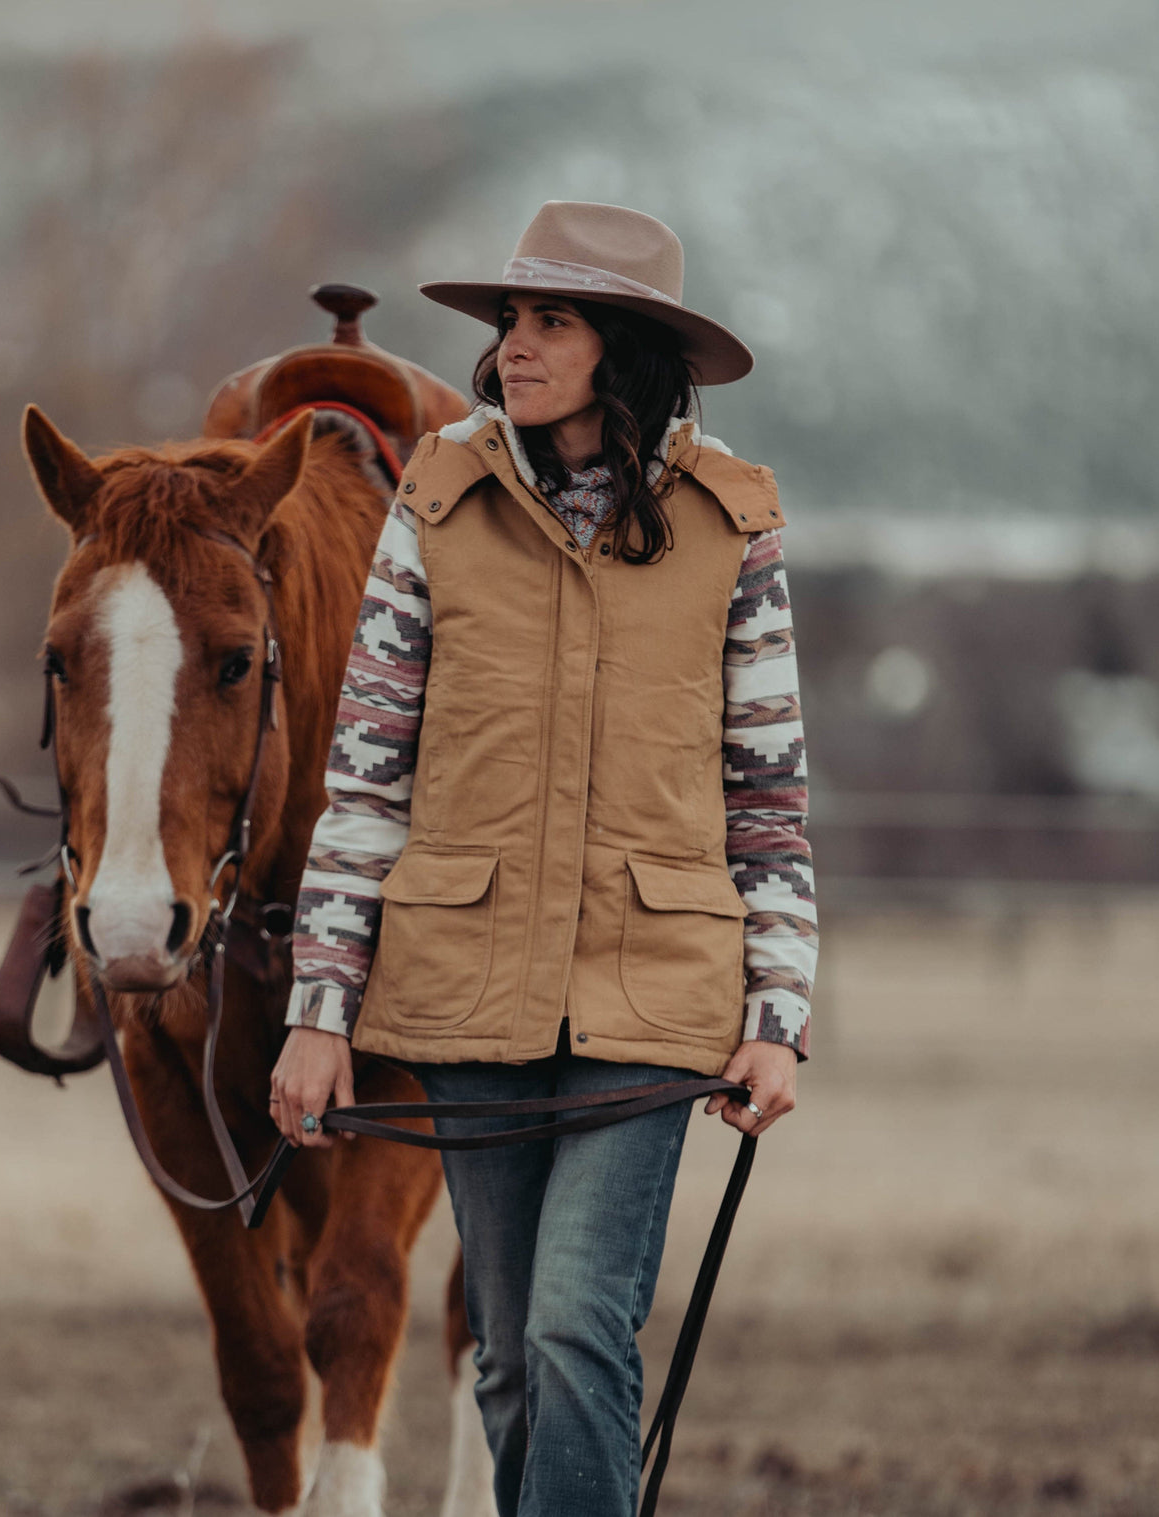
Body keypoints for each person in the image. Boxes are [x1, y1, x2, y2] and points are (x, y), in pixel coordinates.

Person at [270, 200, 817, 1517]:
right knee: (507, 1357)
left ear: (619, 346)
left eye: (551, 319)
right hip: (467, 981)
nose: (515, 344)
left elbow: (766, 786)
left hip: (654, 989)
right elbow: (367, 769)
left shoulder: (728, 521)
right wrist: (319, 1011)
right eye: (512, 318)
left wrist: (777, 1015)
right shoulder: (437, 501)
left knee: (576, 1324)